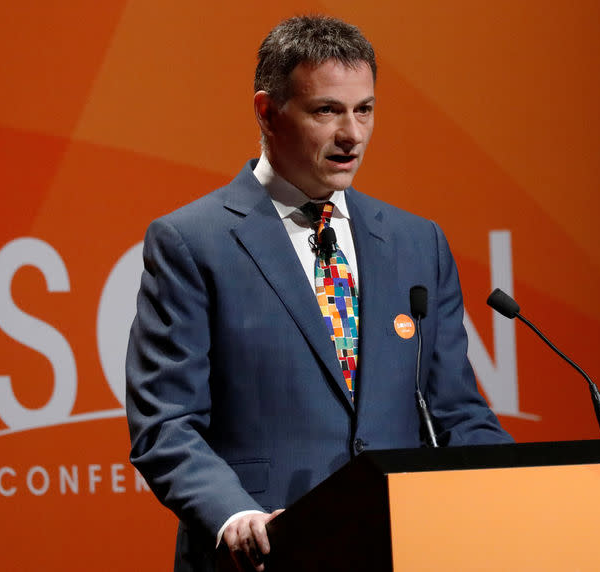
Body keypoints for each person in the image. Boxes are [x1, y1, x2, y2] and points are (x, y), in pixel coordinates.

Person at [125, 15, 512, 572]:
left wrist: (523, 488)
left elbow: (456, 411)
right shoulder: (192, 242)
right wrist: (235, 516)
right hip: (267, 555)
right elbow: (166, 423)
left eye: (365, 110)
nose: (352, 134)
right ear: (267, 112)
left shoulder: (415, 241)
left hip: (401, 549)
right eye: (326, 110)